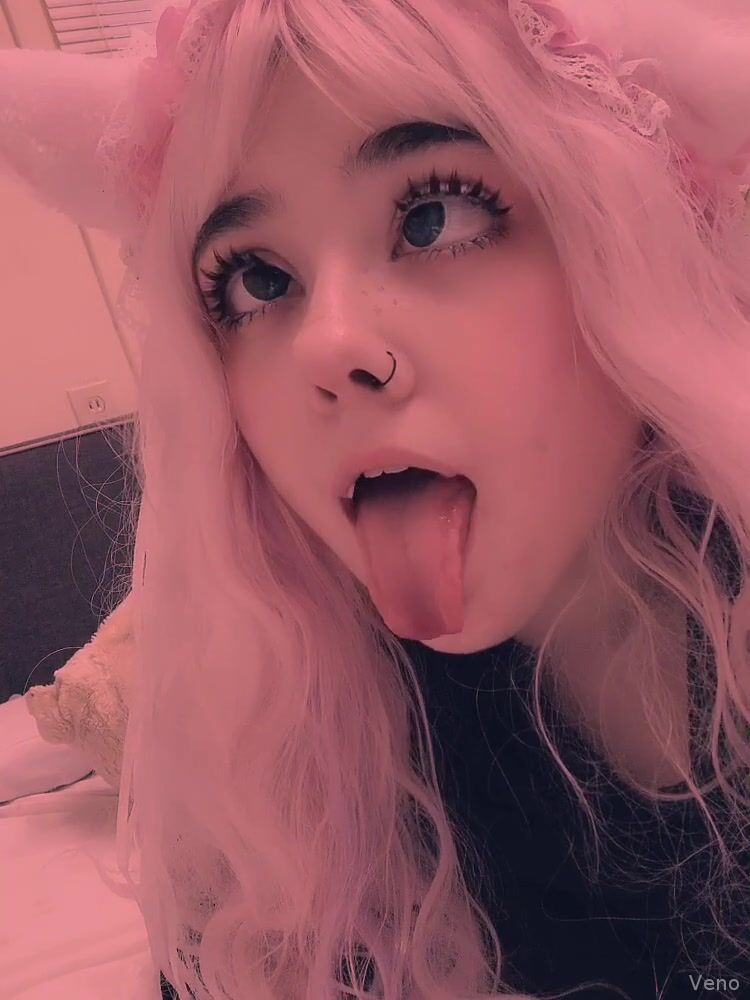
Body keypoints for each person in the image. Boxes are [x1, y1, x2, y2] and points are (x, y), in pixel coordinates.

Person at [2, 0, 750, 997]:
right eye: (257, 280)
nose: (328, 344)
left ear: (629, 240)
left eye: (434, 216)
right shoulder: (291, 753)